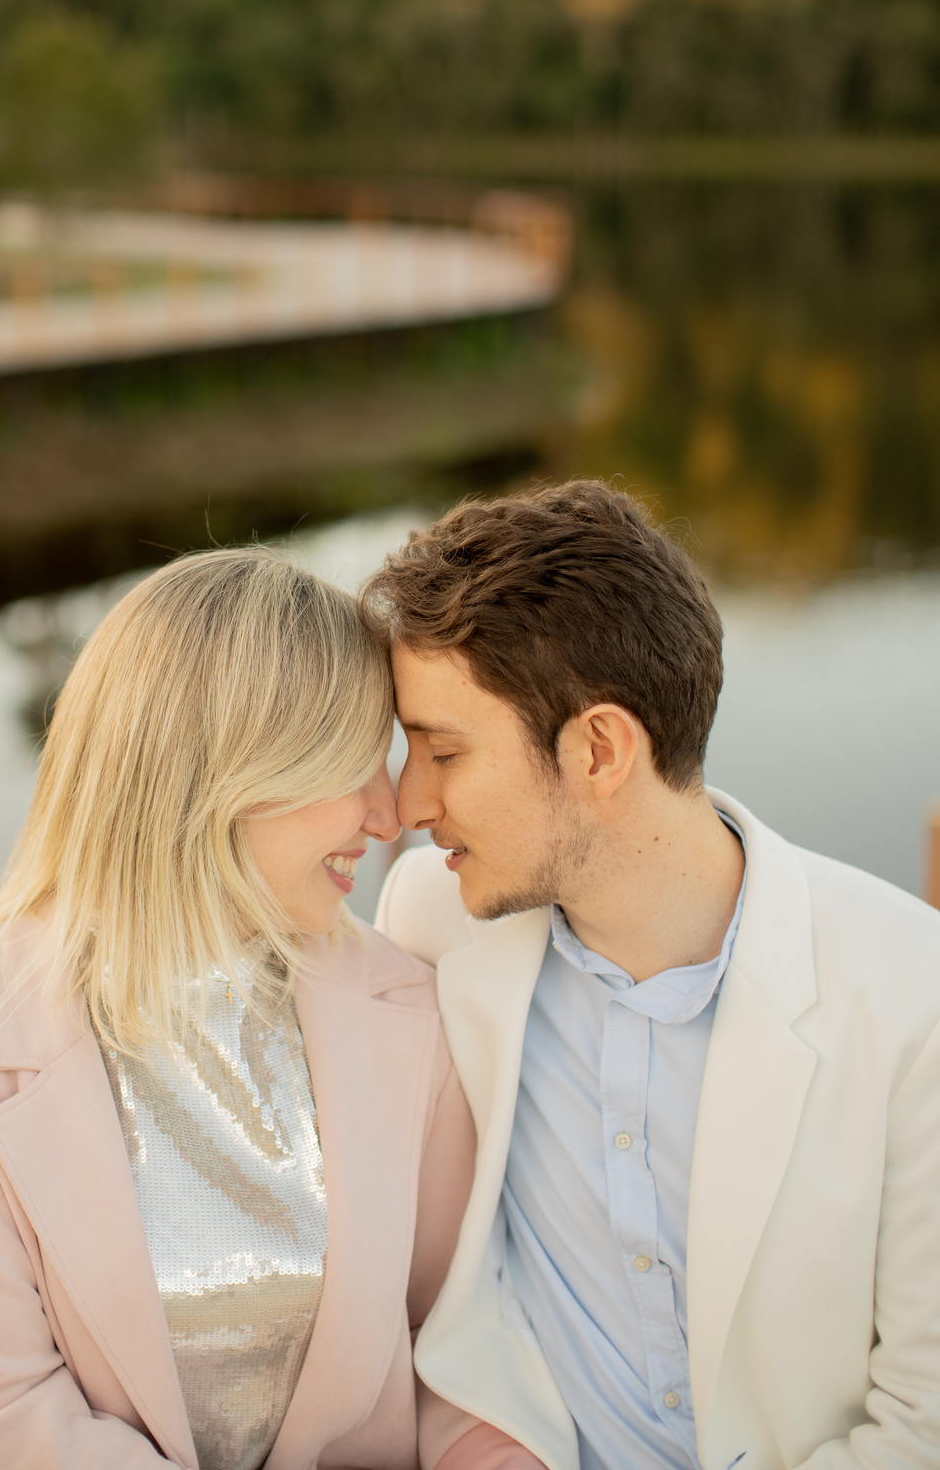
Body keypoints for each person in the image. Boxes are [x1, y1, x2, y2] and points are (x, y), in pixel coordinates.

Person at [0, 549, 479, 1470]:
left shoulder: (413, 1012)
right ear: (219, 773)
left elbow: (453, 1344)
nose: (390, 816)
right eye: (351, 768)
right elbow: (0, 1406)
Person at [370, 480, 940, 1470]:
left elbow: (925, 1419)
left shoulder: (910, 995)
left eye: (443, 751)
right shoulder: (430, 923)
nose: (407, 802)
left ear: (600, 748)